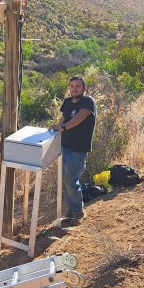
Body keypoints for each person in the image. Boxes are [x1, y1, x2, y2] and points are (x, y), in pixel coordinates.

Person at [51, 76, 96, 227]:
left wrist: (63, 128)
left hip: (78, 149)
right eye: (71, 86)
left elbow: (80, 117)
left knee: (71, 180)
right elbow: (63, 119)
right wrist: (57, 130)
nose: (74, 89)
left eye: (77, 86)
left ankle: (78, 213)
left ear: (85, 88)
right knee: (68, 180)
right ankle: (72, 210)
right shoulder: (67, 102)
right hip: (65, 146)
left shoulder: (88, 101)